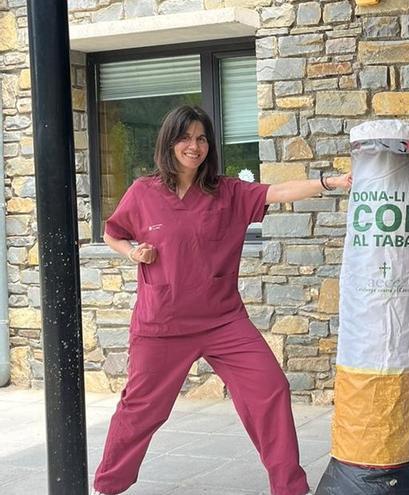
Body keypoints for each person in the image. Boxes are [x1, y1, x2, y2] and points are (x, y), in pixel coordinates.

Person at [91, 105, 350, 495]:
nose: (194, 146)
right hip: (161, 324)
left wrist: (332, 182)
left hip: (223, 321)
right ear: (169, 142)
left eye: (201, 138)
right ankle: (108, 486)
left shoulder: (227, 192)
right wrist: (132, 253)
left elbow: (276, 191)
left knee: (271, 388)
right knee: (142, 409)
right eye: (186, 137)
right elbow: (114, 232)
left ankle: (290, 488)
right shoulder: (143, 192)